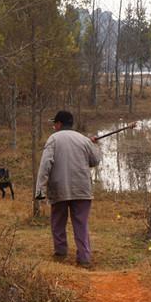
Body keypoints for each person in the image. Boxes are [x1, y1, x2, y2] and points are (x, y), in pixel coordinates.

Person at [34, 110, 101, 267]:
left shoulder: (53, 139)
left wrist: (40, 191)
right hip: (82, 190)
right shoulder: (84, 140)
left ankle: (60, 252)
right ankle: (84, 258)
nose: (54, 127)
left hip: (59, 189)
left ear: (59, 124)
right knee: (81, 224)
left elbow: (45, 166)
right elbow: (95, 161)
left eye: (54, 124)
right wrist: (93, 145)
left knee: (58, 222)